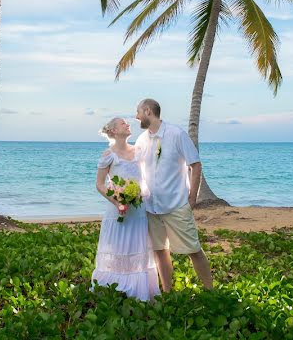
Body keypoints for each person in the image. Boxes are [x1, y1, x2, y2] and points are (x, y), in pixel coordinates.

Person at [135, 98, 214, 292]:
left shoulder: (176, 134)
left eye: (138, 112)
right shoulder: (141, 140)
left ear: (148, 111)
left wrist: (192, 198)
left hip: (176, 204)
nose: (136, 117)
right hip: (151, 207)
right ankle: (168, 291)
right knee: (160, 250)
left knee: (194, 249)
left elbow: (195, 164)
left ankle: (211, 291)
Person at [90, 117, 160, 301]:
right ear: (113, 131)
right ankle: (115, 290)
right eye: (122, 123)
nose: (128, 125)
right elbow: (99, 184)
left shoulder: (139, 151)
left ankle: (138, 291)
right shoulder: (108, 155)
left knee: (137, 246)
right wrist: (117, 201)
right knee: (118, 247)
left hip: (138, 209)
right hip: (118, 210)